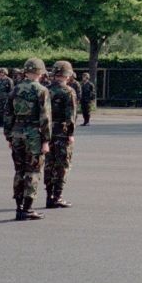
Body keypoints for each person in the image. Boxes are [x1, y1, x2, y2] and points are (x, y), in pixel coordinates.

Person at [7, 58, 52, 221]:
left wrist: (9, 135)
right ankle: (27, 208)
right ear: (40, 72)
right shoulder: (41, 90)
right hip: (33, 134)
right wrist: (46, 140)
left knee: (19, 170)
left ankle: (18, 207)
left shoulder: (15, 89)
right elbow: (45, 117)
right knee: (32, 171)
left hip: (17, 132)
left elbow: (8, 113)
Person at [45, 61, 77, 209]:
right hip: (61, 132)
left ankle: (49, 195)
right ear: (67, 74)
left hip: (47, 131)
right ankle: (57, 196)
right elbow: (70, 116)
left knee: (49, 164)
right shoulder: (68, 91)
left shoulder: (45, 90)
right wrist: (71, 133)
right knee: (62, 164)